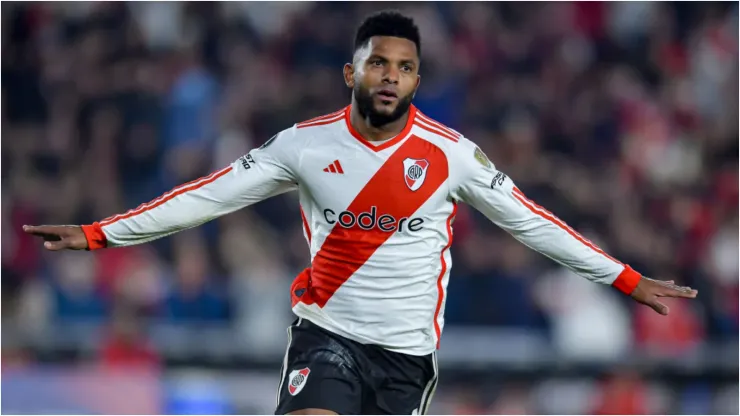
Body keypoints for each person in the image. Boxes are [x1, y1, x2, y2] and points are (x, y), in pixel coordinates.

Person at [24, 10, 698, 416]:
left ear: (415, 79)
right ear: (352, 73)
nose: (389, 76)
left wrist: (628, 280)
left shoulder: (452, 156)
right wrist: (99, 234)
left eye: (403, 67)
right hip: (327, 338)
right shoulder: (304, 146)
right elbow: (207, 194)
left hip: (406, 357)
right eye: (378, 63)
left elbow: (531, 221)